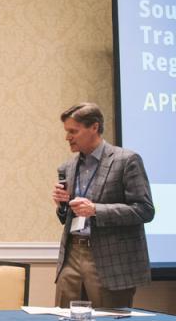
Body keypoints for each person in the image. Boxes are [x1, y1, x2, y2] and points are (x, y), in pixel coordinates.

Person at [51, 102, 154, 308]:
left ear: (94, 127)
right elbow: (67, 218)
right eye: (66, 131)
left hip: (109, 261)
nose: (67, 137)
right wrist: (62, 205)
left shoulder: (126, 160)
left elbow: (144, 210)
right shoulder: (68, 167)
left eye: (73, 131)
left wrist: (96, 210)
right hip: (71, 254)